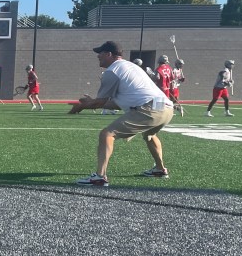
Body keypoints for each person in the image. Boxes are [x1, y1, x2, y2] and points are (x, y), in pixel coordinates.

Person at [68, 40, 174, 187]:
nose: (98, 56)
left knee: (107, 134)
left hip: (150, 109)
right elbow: (117, 103)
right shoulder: (130, 66)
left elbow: (100, 102)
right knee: (149, 135)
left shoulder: (112, 71)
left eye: (100, 53)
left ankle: (100, 177)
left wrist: (82, 106)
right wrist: (90, 103)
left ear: (109, 54)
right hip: (167, 108)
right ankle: (160, 169)